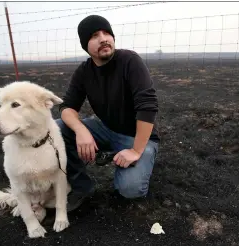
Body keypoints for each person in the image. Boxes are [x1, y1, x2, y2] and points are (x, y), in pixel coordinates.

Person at [55, 15, 160, 211]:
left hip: (138, 137)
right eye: (95, 36)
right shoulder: (84, 71)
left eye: (107, 33)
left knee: (130, 189)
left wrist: (136, 151)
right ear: (86, 45)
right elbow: (67, 107)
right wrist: (81, 130)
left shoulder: (130, 61)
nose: (103, 38)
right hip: (105, 128)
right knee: (58, 128)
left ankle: (134, 157)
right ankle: (81, 186)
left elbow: (147, 105)